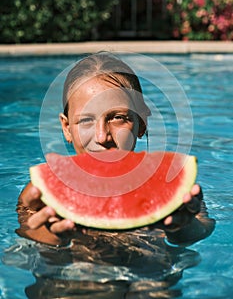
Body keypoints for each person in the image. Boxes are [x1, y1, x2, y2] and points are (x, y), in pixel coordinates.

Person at [16, 51, 215, 248]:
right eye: (85, 120)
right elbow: (28, 241)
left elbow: (202, 230)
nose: (102, 137)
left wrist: (181, 228)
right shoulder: (38, 194)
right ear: (66, 128)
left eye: (118, 117)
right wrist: (51, 237)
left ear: (142, 123)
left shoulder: (172, 181)